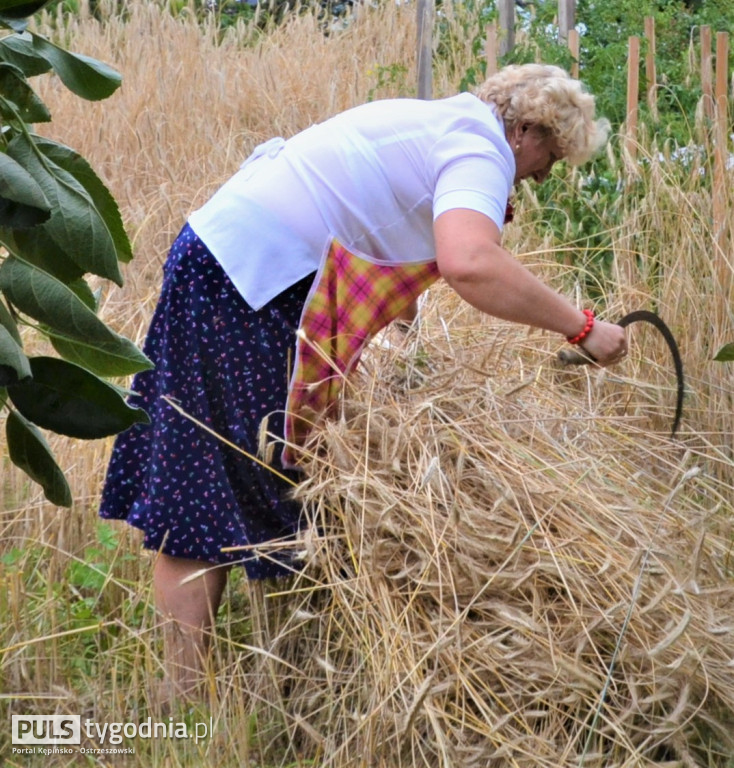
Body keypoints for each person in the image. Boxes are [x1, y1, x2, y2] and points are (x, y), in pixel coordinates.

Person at [99, 63, 627, 701]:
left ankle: (218, 688)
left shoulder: (439, 122)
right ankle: (214, 696)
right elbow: (471, 261)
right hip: (245, 286)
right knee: (253, 478)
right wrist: (581, 327)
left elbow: (361, 209)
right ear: (523, 130)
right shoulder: (480, 148)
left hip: (222, 263)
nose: (545, 173)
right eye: (551, 153)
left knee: (238, 476)